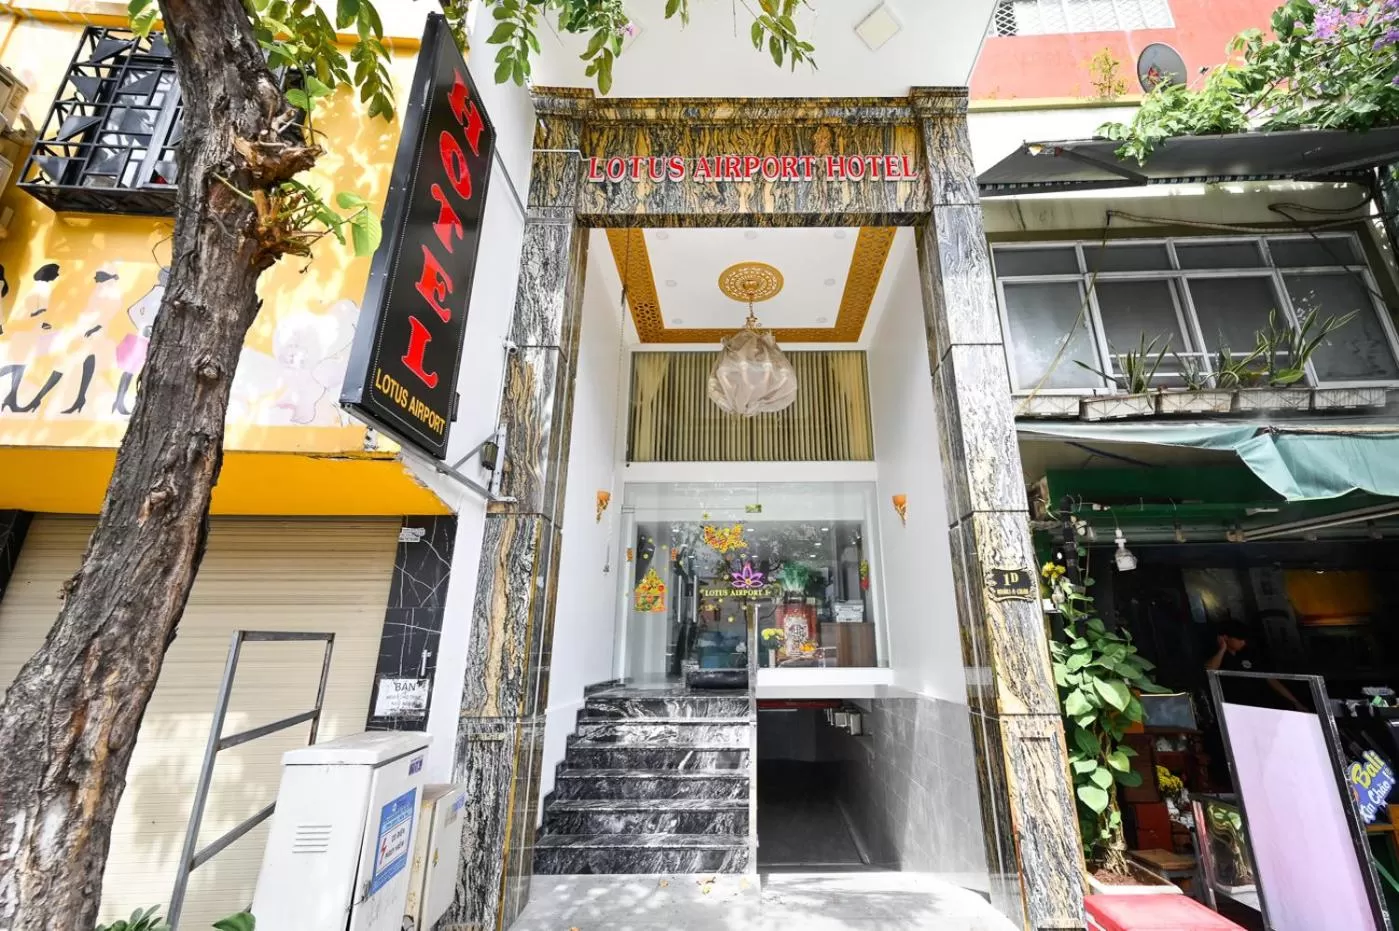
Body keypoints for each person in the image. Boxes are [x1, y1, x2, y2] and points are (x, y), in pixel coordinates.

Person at [1206, 620, 1307, 712]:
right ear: (1225, 637)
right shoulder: (1216, 656)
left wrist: (1295, 702)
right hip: (1235, 708)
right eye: (1240, 639)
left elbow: (1269, 679)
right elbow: (1209, 670)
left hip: (1261, 705)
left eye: (1244, 639)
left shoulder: (1249, 654)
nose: (1243, 642)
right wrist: (1222, 649)